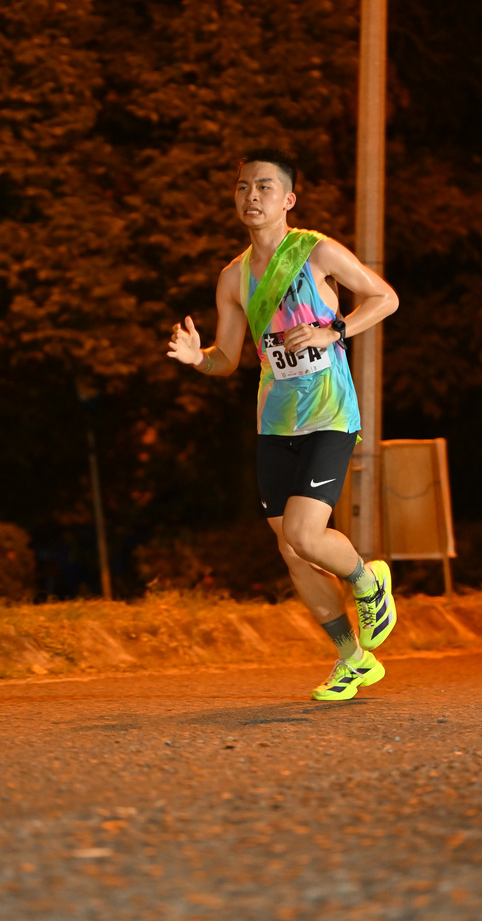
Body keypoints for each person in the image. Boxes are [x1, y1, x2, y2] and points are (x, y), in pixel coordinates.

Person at [167, 147, 399, 701]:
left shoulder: (316, 251)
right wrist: (198, 359)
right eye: (243, 187)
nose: (252, 196)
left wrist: (333, 330)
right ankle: (353, 660)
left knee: (304, 533)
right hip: (275, 422)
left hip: (330, 413)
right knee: (292, 551)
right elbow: (228, 358)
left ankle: (368, 581)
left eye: (264, 187)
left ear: (289, 199)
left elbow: (384, 298)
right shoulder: (232, 278)